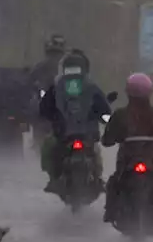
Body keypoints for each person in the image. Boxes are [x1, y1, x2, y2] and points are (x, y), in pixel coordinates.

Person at [102, 73, 153, 223]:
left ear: (128, 92)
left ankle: (110, 213)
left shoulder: (120, 115)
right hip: (152, 160)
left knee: (114, 183)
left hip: (127, 160)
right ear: (150, 92)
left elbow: (107, 141)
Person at [37, 50, 110, 194]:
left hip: (64, 134)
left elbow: (44, 109)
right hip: (85, 134)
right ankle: (98, 178)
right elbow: (104, 108)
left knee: (49, 147)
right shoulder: (91, 87)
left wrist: (49, 117)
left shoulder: (56, 87)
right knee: (95, 152)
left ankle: (53, 179)